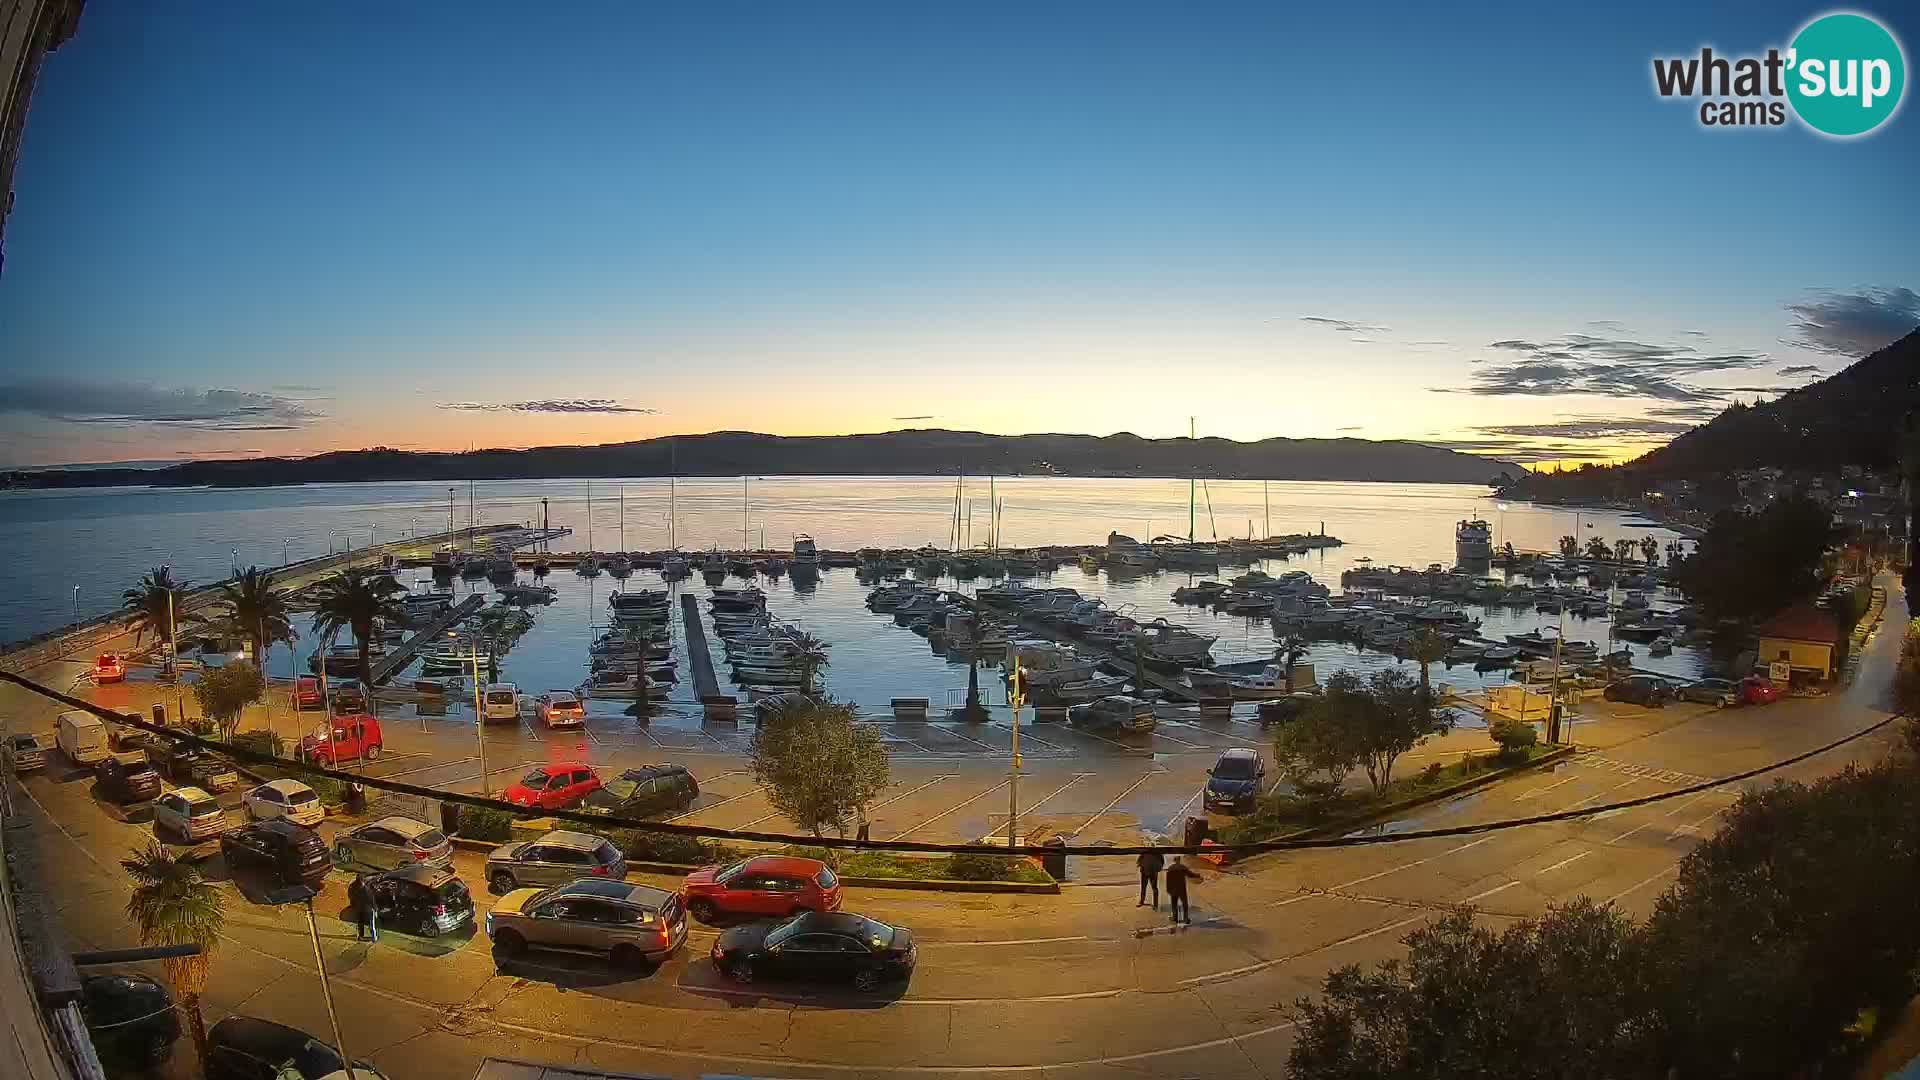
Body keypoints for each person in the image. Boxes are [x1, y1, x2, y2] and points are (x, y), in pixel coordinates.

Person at [1165, 857, 1201, 925]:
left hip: (1173, 889)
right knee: (1185, 904)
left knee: (1174, 904)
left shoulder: (1170, 868)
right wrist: (1198, 875)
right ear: (1179, 860)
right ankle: (1185, 919)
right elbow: (1190, 874)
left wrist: (1168, 889)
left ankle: (1175, 918)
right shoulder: (1182, 867)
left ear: (1174, 860)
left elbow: (1168, 880)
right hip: (1181, 888)